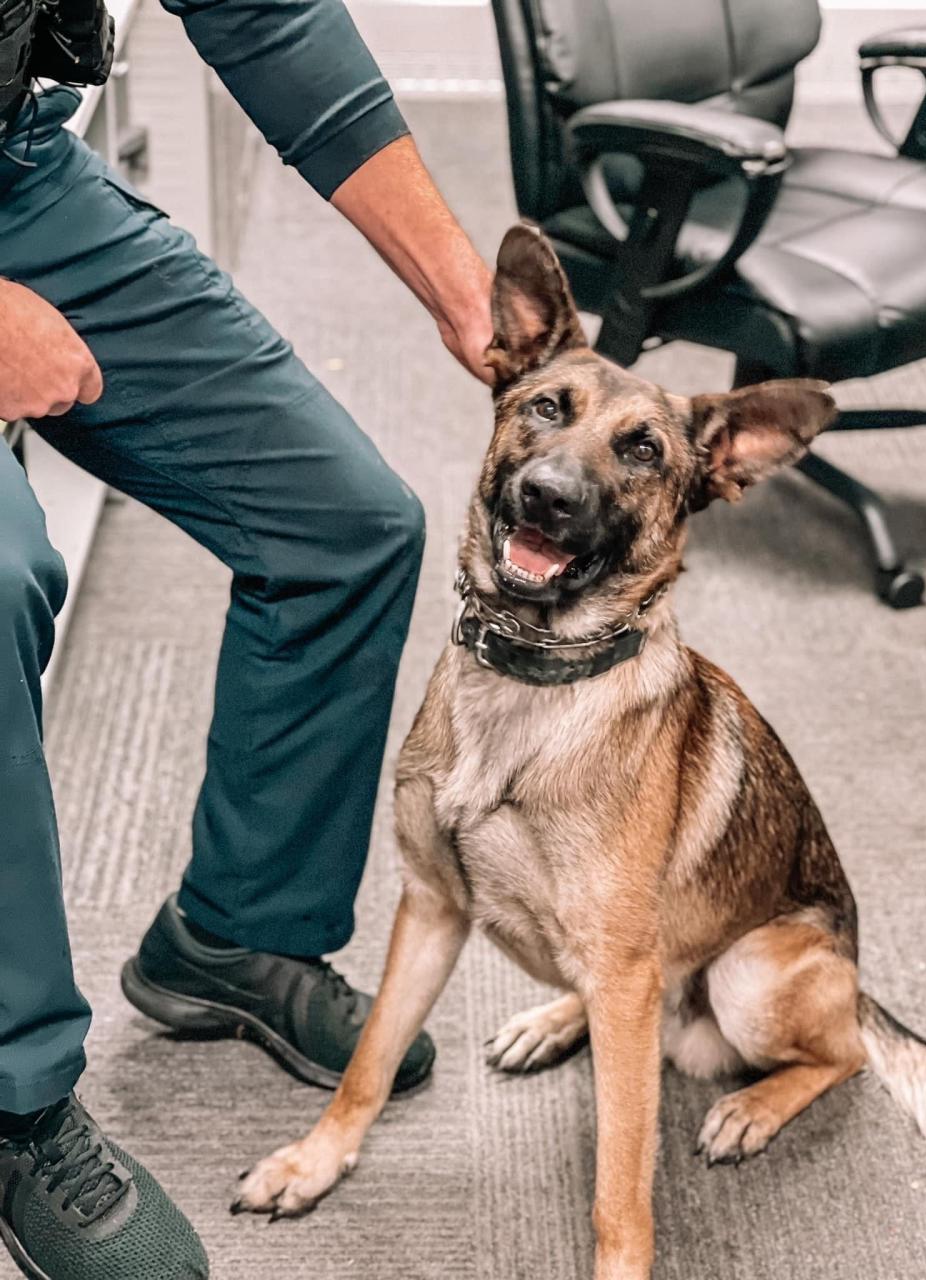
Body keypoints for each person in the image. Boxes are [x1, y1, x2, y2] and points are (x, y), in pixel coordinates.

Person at [0, 1, 493, 1276]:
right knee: (2, 582)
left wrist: (466, 297)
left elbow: (263, 12)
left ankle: (235, 934)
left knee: (348, 526)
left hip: (14, 166)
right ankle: (14, 1101)